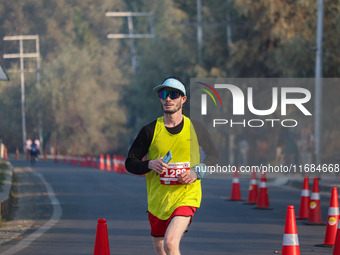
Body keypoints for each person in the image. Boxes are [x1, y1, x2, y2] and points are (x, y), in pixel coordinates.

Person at [125, 77, 219, 255]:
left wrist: (196, 171)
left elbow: (214, 155)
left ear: (183, 99)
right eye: (164, 94)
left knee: (170, 243)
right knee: (161, 249)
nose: (168, 98)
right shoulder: (149, 130)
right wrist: (150, 164)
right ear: (160, 99)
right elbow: (130, 163)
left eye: (173, 94)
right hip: (158, 202)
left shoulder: (196, 128)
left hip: (186, 195)